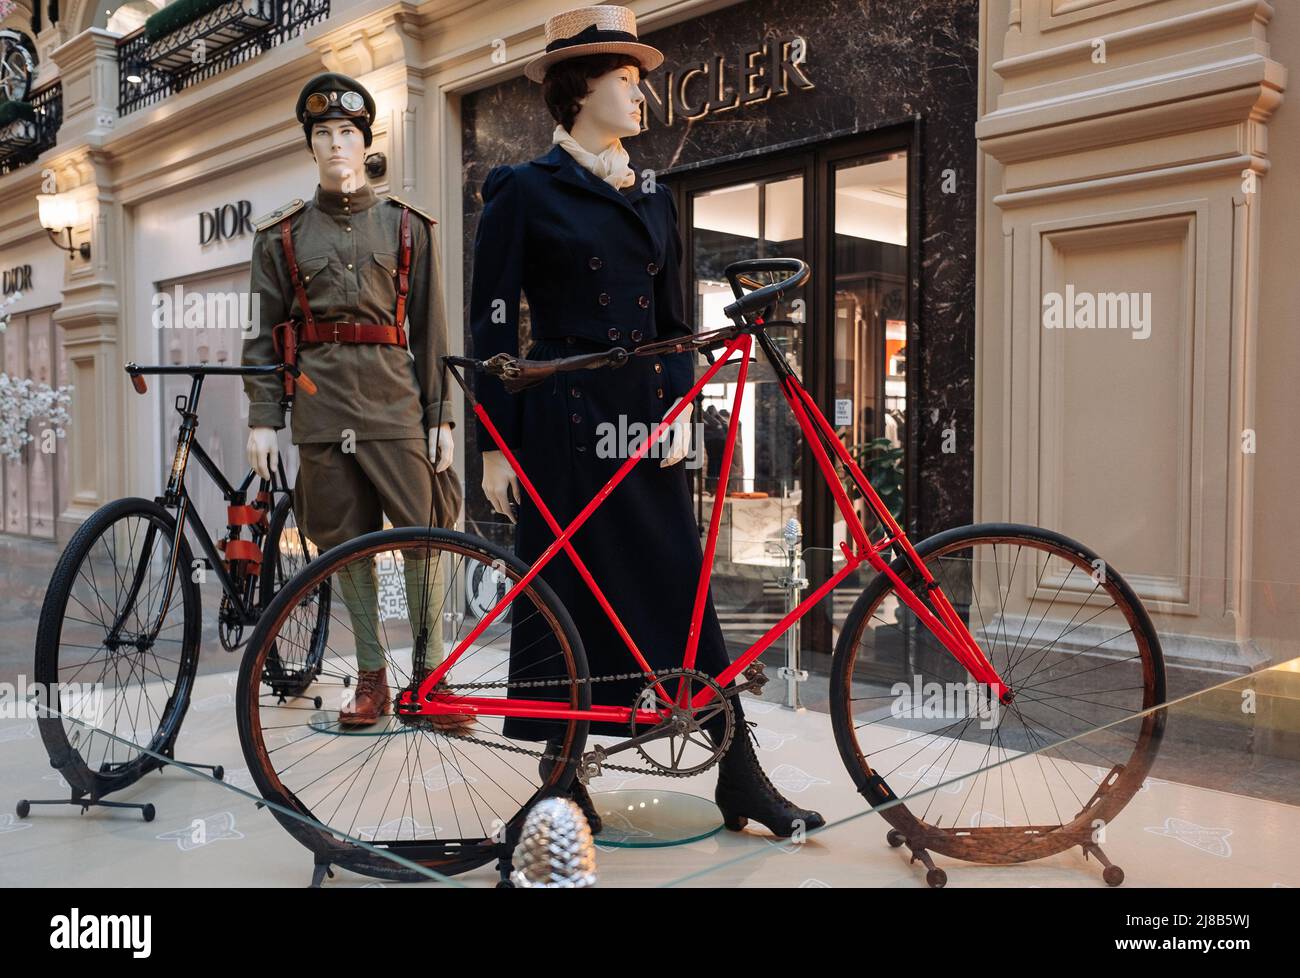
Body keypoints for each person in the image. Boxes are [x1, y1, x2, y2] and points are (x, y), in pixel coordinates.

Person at [469, 5, 824, 838]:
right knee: (560, 599)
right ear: (578, 89)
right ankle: (561, 785)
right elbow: (490, 331)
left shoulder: (657, 195)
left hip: (647, 421)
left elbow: (673, 328)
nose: (640, 97)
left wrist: (680, 416)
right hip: (561, 421)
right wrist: (493, 442)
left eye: (638, 81)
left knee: (682, 588)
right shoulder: (522, 191)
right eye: (624, 81)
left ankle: (739, 776)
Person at [241, 72, 468, 729]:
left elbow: (430, 330)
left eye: (347, 132)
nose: (336, 143)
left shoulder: (407, 227)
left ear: (365, 142)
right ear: (309, 147)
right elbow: (261, 339)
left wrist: (441, 415)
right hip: (320, 411)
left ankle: (432, 677)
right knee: (346, 543)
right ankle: (372, 677)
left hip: (395, 406)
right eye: (323, 134)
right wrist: (263, 418)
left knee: (429, 534)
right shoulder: (280, 237)